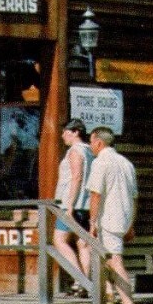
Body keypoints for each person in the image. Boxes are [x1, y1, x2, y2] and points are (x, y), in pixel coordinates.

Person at [85, 126, 140, 304]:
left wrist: (92, 222)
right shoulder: (126, 163)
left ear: (99, 142)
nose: (90, 146)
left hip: (108, 219)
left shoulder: (101, 162)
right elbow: (134, 198)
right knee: (103, 258)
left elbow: (95, 194)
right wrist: (131, 223)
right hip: (123, 218)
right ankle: (109, 293)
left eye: (91, 142)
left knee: (115, 261)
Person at [52, 118, 94, 293]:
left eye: (66, 132)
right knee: (82, 243)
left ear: (76, 132)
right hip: (86, 205)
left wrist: (69, 205)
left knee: (59, 240)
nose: (63, 135)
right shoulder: (91, 151)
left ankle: (80, 280)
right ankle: (85, 284)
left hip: (73, 205)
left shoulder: (75, 151)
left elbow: (77, 177)